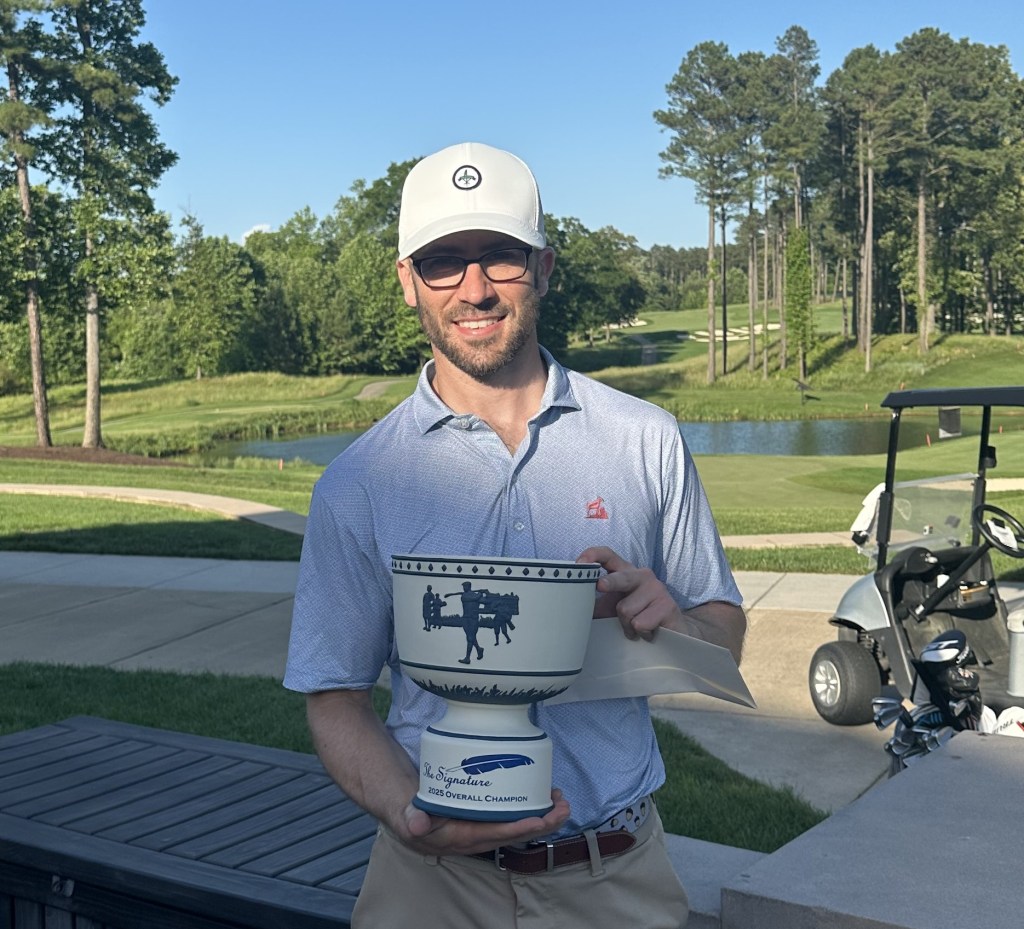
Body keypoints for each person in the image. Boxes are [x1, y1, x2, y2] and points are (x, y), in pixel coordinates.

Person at [284, 141, 746, 929]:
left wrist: (676, 622)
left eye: (500, 255)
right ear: (407, 280)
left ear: (543, 267)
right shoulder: (359, 480)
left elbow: (723, 632)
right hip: (428, 887)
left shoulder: (646, 439)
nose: (474, 288)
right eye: (443, 262)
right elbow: (335, 695)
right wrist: (408, 812)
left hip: (615, 879)